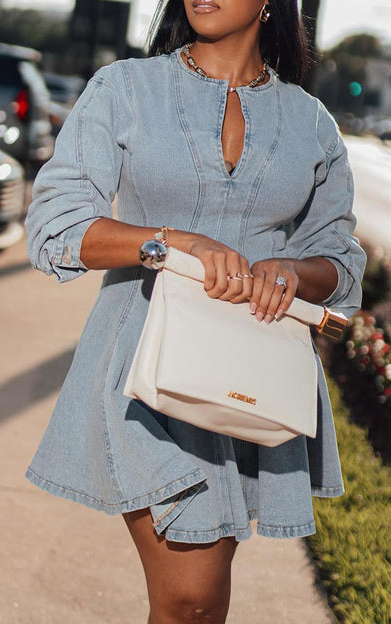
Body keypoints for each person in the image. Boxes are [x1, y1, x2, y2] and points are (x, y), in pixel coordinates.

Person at [25, 0, 366, 621]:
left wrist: (290, 271)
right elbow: (57, 227)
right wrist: (172, 242)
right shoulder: (125, 89)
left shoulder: (311, 121)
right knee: (191, 595)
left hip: (250, 378)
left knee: (197, 606)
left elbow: (339, 259)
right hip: (142, 370)